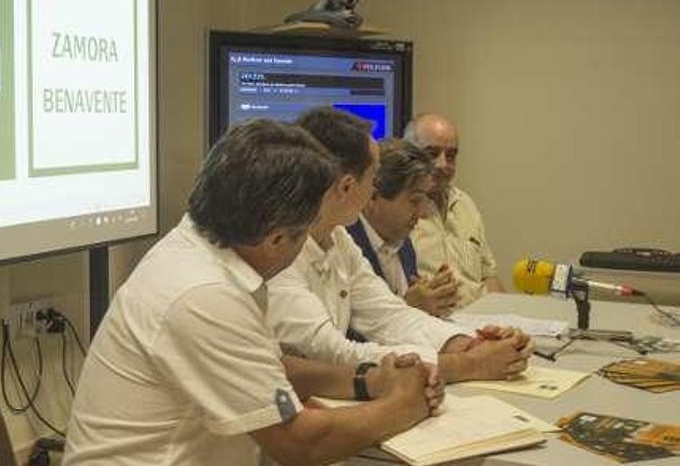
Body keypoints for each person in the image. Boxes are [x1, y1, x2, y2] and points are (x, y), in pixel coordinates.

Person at [63, 119, 440, 466]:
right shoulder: (205, 294)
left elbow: (270, 369)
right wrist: (406, 403)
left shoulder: (198, 247)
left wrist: (369, 379)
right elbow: (301, 444)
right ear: (276, 238)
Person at [267, 107, 533, 384]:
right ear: (347, 187)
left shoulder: (338, 239)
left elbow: (391, 316)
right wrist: (467, 365)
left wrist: (470, 344)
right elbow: (330, 354)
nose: (375, 189)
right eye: (373, 178)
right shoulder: (277, 252)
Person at [346, 139, 460, 318]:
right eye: (414, 201)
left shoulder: (402, 241)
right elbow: (344, 332)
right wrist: (408, 307)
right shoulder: (344, 244)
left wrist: (432, 298)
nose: (422, 214)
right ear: (373, 196)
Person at [404, 113, 505, 307]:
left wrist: (506, 319)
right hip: (434, 326)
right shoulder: (399, 211)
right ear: (409, 154)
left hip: (481, 323)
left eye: (450, 156)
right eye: (431, 153)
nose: (442, 164)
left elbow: (489, 277)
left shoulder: (465, 204)